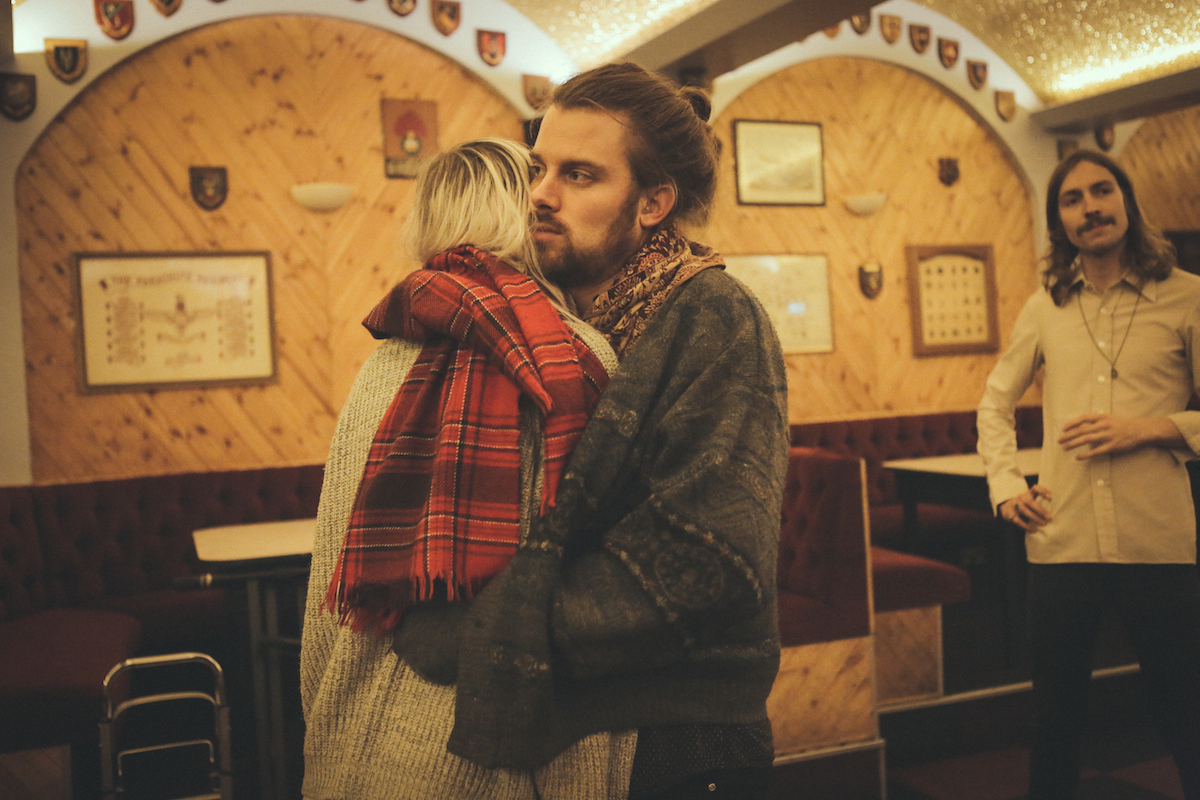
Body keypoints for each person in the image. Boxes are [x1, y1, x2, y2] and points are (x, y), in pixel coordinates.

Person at [301, 137, 626, 799]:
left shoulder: (378, 368)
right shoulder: (577, 363)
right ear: (535, 217)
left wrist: (326, 733)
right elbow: (580, 614)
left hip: (352, 759)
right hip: (486, 770)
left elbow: (324, 602)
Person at [977, 148, 1200, 800]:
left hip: (1158, 542)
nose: (1090, 208)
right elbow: (993, 402)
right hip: (1062, 539)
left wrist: (1154, 427)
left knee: (1186, 713)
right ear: (1060, 222)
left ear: (1127, 201)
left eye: (1101, 192)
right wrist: (1004, 489)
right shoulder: (1045, 306)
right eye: (1072, 200)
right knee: (1054, 722)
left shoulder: (1188, 297)